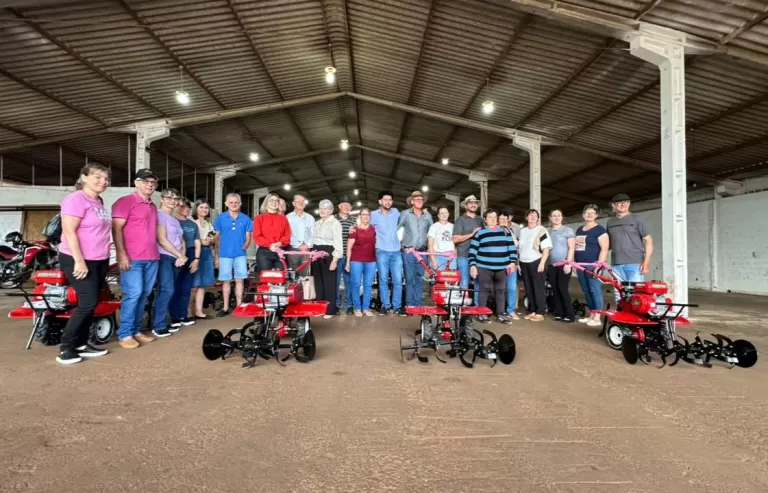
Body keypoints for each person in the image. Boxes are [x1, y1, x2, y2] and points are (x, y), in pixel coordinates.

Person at [55, 163, 112, 364]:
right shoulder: (75, 199)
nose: (103, 182)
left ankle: (81, 343)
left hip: (99, 259)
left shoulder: (98, 201)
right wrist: (79, 261)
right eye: (97, 177)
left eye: (106, 179)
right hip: (78, 259)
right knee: (87, 302)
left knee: (91, 302)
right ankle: (66, 348)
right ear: (84, 177)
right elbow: (69, 231)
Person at [112, 168, 162, 349]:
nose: (150, 185)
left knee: (144, 294)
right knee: (133, 294)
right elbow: (116, 229)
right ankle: (124, 334)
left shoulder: (152, 205)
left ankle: (135, 330)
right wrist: (121, 254)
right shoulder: (125, 202)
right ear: (136, 183)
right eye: (146, 181)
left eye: (153, 182)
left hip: (151, 257)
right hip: (132, 257)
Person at [468, 209, 516, 324]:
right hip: (484, 267)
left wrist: (513, 262)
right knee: (484, 290)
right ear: (485, 220)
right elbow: (472, 251)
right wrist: (473, 266)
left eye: (495, 217)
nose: (493, 219)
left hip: (502, 267)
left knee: (500, 290)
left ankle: (500, 314)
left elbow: (512, 248)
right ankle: (481, 313)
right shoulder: (479, 233)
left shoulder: (506, 231)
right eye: (490, 217)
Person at [152, 189, 188, 337]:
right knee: (166, 289)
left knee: (169, 290)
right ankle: (158, 325)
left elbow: (181, 240)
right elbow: (161, 239)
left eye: (175, 198)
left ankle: (163, 321)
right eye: (169, 198)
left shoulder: (173, 219)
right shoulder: (159, 215)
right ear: (162, 199)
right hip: (165, 256)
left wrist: (182, 256)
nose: (173, 201)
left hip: (177, 259)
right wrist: (179, 254)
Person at [606, 193, 653, 302]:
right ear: (613, 205)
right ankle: (621, 316)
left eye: (625, 202)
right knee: (619, 293)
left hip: (634, 263)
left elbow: (648, 240)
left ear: (629, 204)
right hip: (616, 264)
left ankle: (635, 318)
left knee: (635, 293)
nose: (622, 205)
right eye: (619, 203)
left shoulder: (637, 219)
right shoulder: (610, 222)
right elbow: (608, 243)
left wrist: (646, 261)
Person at [213, 193, 254, 317]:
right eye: (231, 202)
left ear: (240, 203)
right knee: (226, 281)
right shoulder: (220, 218)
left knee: (239, 280)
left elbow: (248, 237)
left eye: (236, 202)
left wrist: (245, 245)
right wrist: (216, 256)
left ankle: (239, 306)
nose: (234, 204)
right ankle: (225, 307)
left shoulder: (246, 219)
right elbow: (217, 238)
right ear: (226, 204)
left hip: (240, 255)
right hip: (224, 255)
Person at [369, 190, 405, 316]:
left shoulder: (396, 212)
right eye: (385, 200)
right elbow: (366, 227)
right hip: (381, 251)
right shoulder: (373, 215)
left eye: (390, 200)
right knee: (383, 279)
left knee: (398, 280)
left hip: (396, 251)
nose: (388, 202)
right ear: (380, 201)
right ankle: (385, 305)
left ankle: (397, 306)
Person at [575, 204, 609, 327]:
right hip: (580, 265)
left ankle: (597, 316)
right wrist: (575, 263)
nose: (589, 215)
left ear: (596, 215)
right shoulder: (579, 229)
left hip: (593, 265)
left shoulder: (600, 230)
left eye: (592, 213)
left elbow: (604, 249)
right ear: (583, 215)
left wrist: (599, 265)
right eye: (587, 213)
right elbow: (577, 247)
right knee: (586, 290)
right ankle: (591, 314)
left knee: (595, 290)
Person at [168, 198, 201, 328]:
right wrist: (178, 255)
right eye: (182, 207)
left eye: (187, 207)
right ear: (176, 207)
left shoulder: (192, 225)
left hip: (191, 254)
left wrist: (196, 260)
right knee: (175, 287)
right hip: (175, 253)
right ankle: (174, 317)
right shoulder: (171, 222)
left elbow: (197, 242)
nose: (185, 209)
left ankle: (183, 315)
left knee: (186, 287)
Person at [399, 190, 433, 308]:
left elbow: (431, 233)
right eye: (417, 199)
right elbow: (396, 229)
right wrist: (399, 244)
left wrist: (430, 251)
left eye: (421, 199)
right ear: (412, 201)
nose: (419, 201)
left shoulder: (427, 215)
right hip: (409, 251)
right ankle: (410, 304)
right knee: (409, 278)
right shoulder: (405, 214)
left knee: (419, 278)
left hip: (422, 251)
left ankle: (418, 304)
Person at [517, 209, 552, 322]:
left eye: (535, 215)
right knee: (528, 288)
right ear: (526, 218)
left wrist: (542, 263)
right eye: (530, 215)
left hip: (536, 261)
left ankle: (540, 312)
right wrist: (518, 263)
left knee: (538, 288)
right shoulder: (523, 231)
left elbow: (546, 248)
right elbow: (519, 249)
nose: (532, 217)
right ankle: (532, 310)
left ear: (538, 218)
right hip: (524, 262)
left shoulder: (541, 230)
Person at [313, 199, 342, 318]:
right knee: (318, 282)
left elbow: (338, 243)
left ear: (330, 211)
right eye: (321, 208)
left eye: (325, 209)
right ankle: (320, 308)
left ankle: (330, 309)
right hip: (316, 252)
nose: (323, 211)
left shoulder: (335, 223)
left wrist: (335, 260)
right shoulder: (317, 222)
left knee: (329, 282)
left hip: (329, 252)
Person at [345, 207, 377, 316]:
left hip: (371, 261)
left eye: (367, 214)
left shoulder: (374, 229)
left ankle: (366, 308)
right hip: (356, 261)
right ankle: (357, 308)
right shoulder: (354, 230)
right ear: (359, 216)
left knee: (368, 285)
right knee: (356, 284)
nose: (365, 216)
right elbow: (349, 247)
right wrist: (347, 262)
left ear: (370, 217)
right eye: (363, 214)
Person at [452, 195, 483, 306]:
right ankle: (463, 307)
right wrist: (472, 234)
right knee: (464, 281)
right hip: (464, 255)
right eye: (470, 203)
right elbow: (455, 239)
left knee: (478, 282)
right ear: (466, 206)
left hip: (478, 256)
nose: (473, 204)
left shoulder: (481, 220)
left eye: (475, 203)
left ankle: (478, 307)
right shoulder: (460, 220)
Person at [547, 209, 576, 323]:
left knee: (563, 289)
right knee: (555, 289)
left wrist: (568, 263)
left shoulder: (568, 230)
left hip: (564, 264)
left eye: (559, 215)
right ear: (550, 218)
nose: (556, 217)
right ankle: (559, 313)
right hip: (551, 264)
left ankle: (569, 314)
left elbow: (572, 247)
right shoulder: (548, 232)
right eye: (554, 216)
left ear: (562, 217)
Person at [252, 192, 290, 272]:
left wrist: (280, 243)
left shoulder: (283, 219)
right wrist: (270, 245)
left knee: (280, 278)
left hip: (279, 252)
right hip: (264, 253)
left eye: (276, 201)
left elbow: (287, 235)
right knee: (266, 279)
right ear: (266, 203)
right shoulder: (259, 218)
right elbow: (257, 236)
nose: (274, 202)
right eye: (271, 200)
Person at [191, 199, 215, 319]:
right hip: (195, 253)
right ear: (196, 209)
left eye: (206, 208)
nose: (204, 210)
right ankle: (187, 311)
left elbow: (212, 237)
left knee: (202, 285)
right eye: (201, 207)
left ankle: (199, 311)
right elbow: (189, 239)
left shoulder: (208, 224)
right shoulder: (192, 222)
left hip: (207, 253)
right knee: (193, 285)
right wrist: (201, 241)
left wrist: (211, 241)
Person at [335, 198, 356, 314]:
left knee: (349, 282)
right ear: (339, 206)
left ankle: (349, 306)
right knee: (336, 282)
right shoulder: (333, 219)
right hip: (336, 256)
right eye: (344, 205)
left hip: (349, 256)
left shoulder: (353, 221)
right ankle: (336, 305)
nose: (346, 207)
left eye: (348, 206)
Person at [286, 194, 315, 277]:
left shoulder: (310, 218)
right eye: (298, 201)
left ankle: (304, 290)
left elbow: (313, 233)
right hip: (293, 248)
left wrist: (307, 245)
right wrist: (299, 245)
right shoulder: (287, 217)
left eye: (303, 201)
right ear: (293, 203)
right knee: (293, 274)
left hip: (306, 249)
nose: (301, 203)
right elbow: (288, 233)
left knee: (305, 275)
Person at [498, 210, 520, 320]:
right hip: (498, 264)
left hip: (511, 264)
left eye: (505, 219)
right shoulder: (495, 231)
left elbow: (517, 248)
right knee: (500, 288)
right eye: (501, 219)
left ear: (508, 220)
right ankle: (500, 311)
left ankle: (511, 310)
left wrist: (516, 262)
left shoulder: (511, 232)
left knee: (512, 287)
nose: (503, 221)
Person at [427, 206, 455, 271]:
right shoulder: (434, 227)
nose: (444, 215)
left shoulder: (453, 226)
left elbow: (456, 243)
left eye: (446, 212)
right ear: (438, 215)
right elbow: (430, 245)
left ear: (448, 214)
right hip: (438, 256)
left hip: (451, 257)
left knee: (451, 279)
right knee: (440, 279)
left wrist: (455, 255)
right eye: (442, 213)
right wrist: (433, 261)